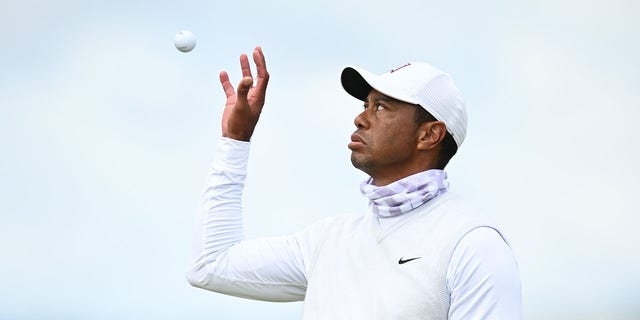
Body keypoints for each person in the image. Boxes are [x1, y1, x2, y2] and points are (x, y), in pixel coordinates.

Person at [186, 46, 522, 319]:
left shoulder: (473, 245)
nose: (360, 118)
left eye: (382, 108)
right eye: (365, 105)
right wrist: (235, 140)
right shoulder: (328, 240)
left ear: (429, 134)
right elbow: (211, 265)